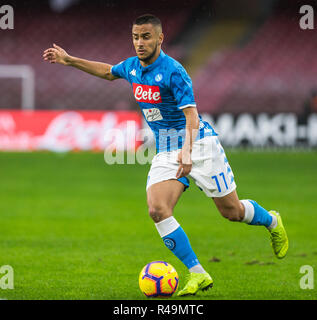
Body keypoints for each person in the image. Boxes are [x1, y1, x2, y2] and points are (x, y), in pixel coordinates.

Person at [43, 14, 288, 296]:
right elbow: (109, 71)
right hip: (166, 148)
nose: (139, 43)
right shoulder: (133, 67)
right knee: (157, 210)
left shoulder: (174, 71)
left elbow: (192, 117)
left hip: (199, 144)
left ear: (160, 38)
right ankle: (198, 273)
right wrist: (70, 60)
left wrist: (186, 153)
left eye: (145, 37)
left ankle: (272, 220)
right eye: (135, 37)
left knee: (231, 212)